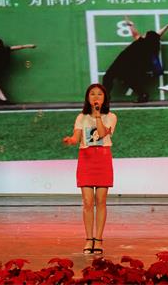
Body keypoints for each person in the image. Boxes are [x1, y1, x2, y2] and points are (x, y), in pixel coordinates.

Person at [63, 83, 117, 255]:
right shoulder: (81, 117)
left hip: (103, 158)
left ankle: (98, 239)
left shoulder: (111, 117)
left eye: (99, 94)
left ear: (105, 98)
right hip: (86, 159)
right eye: (92, 94)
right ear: (87, 98)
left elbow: (101, 134)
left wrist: (98, 116)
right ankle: (88, 239)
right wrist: (71, 140)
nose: (95, 97)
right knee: (87, 202)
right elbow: (76, 136)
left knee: (101, 201)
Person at [103, 17, 168, 103]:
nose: (143, 35)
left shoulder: (141, 42)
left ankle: (106, 96)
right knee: (130, 80)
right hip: (135, 67)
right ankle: (143, 95)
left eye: (145, 34)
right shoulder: (152, 45)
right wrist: (166, 27)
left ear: (146, 37)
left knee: (108, 76)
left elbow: (135, 34)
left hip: (123, 63)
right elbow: (156, 36)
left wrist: (131, 25)